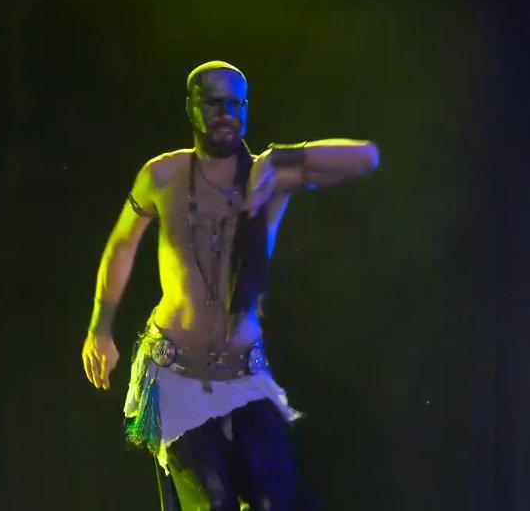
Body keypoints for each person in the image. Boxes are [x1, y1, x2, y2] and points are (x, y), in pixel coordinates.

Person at [81, 60, 379, 510]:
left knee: (274, 502)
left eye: (236, 103)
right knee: (214, 500)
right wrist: (100, 328)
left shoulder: (269, 177)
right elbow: (122, 243)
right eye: (213, 102)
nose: (225, 113)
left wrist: (279, 156)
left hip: (243, 376)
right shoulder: (162, 175)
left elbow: (367, 157)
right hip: (176, 374)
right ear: (190, 107)